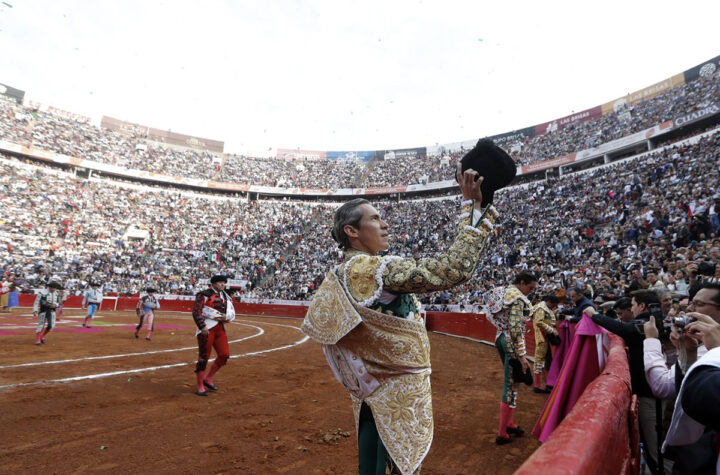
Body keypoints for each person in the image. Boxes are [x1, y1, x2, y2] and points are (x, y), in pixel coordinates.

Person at [301, 163, 499, 474]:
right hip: (397, 390)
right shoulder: (374, 269)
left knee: (371, 458)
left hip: (370, 388)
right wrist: (471, 208)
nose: (385, 224)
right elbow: (453, 269)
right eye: (375, 219)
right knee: (396, 462)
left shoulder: (340, 273)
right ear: (351, 231)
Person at [585, 290, 669, 473]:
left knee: (657, 451)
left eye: (632, 305)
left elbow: (623, 329)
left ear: (642, 306)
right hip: (652, 392)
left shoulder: (649, 322)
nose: (631, 309)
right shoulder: (656, 320)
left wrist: (594, 315)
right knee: (654, 447)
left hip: (651, 394)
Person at [486, 272, 537, 444]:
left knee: (514, 381)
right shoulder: (517, 298)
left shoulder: (500, 291)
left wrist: (502, 329)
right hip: (511, 344)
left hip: (500, 338)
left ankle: (509, 424)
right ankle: (502, 433)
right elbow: (515, 330)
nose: (530, 292)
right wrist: (522, 356)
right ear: (522, 283)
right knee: (510, 384)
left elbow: (489, 315)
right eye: (530, 288)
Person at [192, 275, 235, 396]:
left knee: (224, 354)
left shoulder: (225, 296)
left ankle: (208, 378)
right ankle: (200, 385)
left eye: (224, 283)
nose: (223, 284)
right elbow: (196, 312)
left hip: (220, 328)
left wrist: (227, 317)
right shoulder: (203, 295)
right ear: (214, 284)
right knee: (204, 357)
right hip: (207, 329)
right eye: (220, 282)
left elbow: (229, 312)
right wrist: (202, 326)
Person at [531, 294, 559, 393]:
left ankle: (548, 382)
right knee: (539, 359)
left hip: (545, 336)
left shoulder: (545, 308)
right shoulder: (541, 308)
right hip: (541, 336)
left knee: (547, 359)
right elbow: (538, 322)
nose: (554, 307)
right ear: (549, 302)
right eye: (554, 305)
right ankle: (537, 385)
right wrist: (551, 329)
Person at [33, 281, 63, 345]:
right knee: (41, 325)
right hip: (43, 310)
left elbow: (60, 303)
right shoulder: (42, 292)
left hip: (52, 311)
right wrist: (35, 310)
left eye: (54, 288)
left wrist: (56, 305)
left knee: (51, 325)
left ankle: (42, 336)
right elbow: (36, 302)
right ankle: (38, 339)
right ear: (49, 287)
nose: (53, 289)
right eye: (52, 288)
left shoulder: (57, 293)